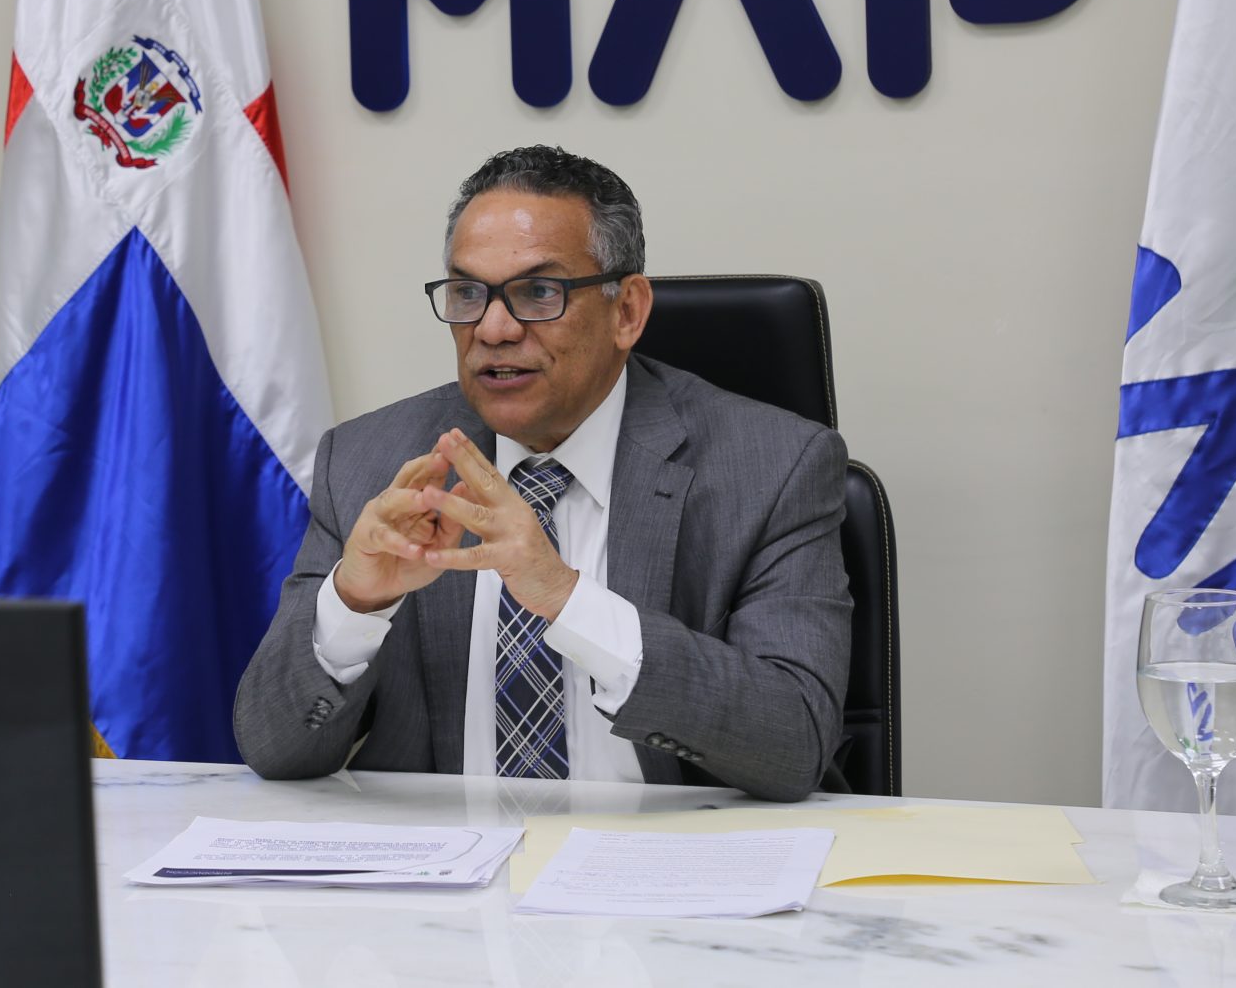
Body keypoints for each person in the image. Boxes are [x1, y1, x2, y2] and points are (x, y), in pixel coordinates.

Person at [233, 146, 852, 801]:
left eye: (537, 292)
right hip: (446, 857)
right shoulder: (370, 461)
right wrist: (354, 605)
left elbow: (794, 744)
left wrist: (565, 598)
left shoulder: (775, 468)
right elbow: (276, 750)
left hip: (665, 854)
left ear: (627, 311)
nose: (493, 328)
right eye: (468, 293)